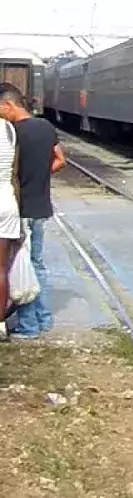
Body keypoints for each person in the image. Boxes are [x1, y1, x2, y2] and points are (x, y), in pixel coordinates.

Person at [0, 82, 63, 339]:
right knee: (38, 264)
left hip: (21, 207)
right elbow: (60, 159)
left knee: (18, 265)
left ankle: (28, 326)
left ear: (10, 105)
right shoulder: (46, 126)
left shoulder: (12, 134)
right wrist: (40, 176)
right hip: (42, 206)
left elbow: (10, 172)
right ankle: (44, 319)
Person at [0, 113, 19, 339]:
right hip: (6, 202)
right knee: (1, 269)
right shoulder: (9, 129)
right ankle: (1, 323)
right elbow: (15, 171)